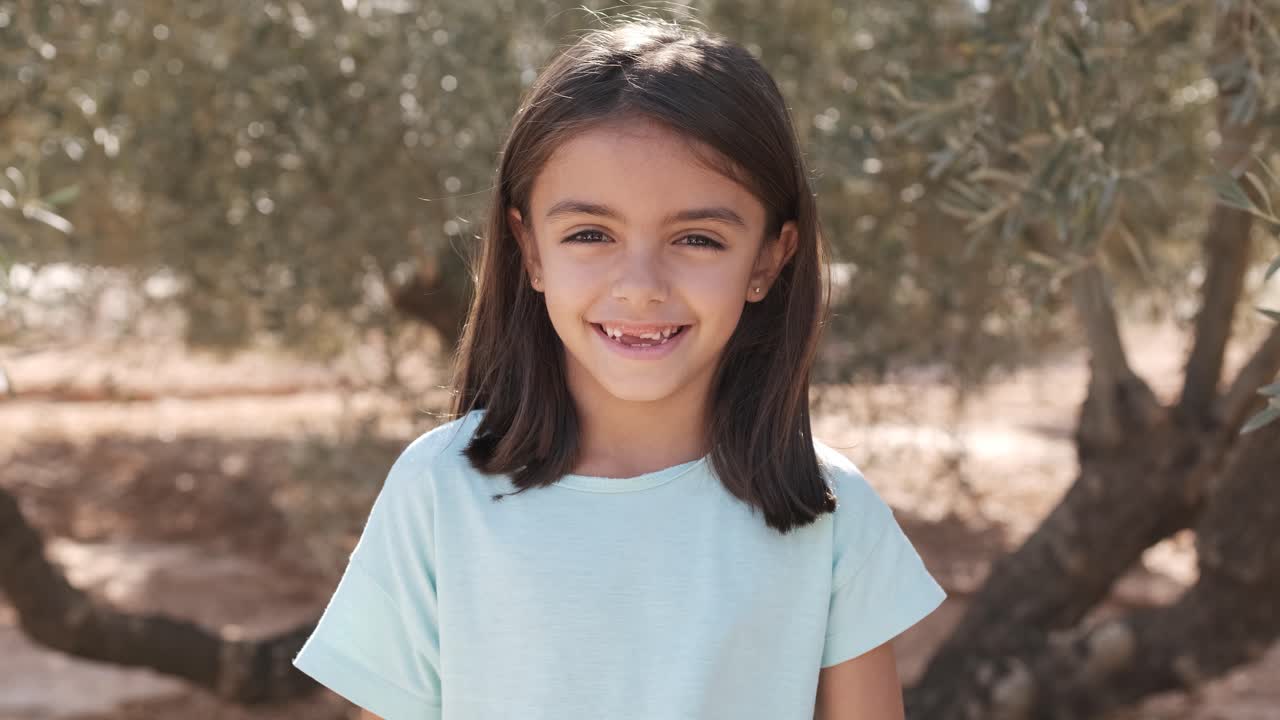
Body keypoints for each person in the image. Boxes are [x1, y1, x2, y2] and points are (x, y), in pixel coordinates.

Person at [291, 16, 946, 720]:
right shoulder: (439, 494)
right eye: (591, 234)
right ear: (530, 249)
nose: (640, 285)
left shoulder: (832, 516)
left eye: (697, 238)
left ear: (767, 259)